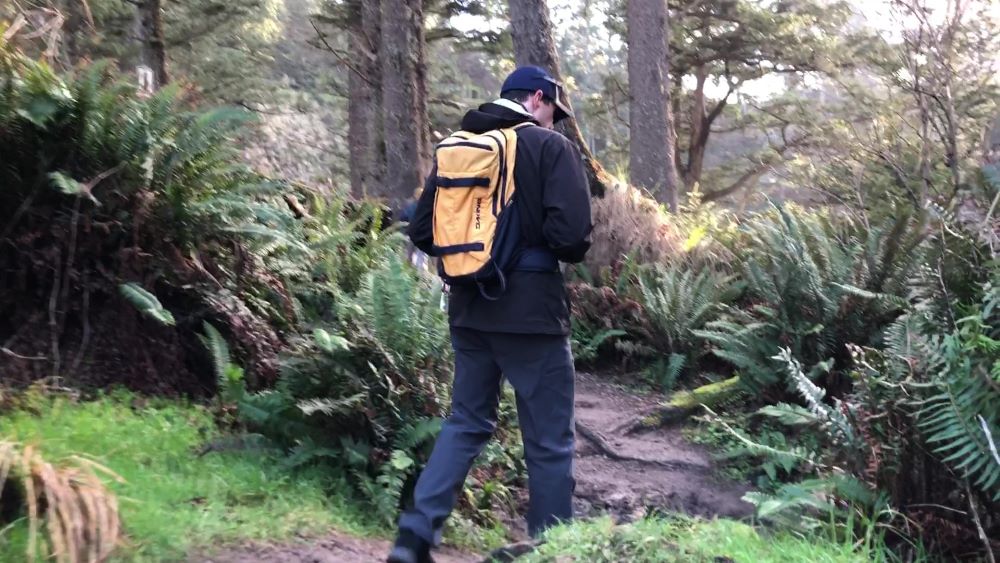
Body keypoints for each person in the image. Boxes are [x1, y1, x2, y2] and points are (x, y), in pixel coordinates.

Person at [388, 66, 592, 563]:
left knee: (466, 422)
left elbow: (420, 233)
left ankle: (414, 537)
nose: (554, 124)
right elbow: (573, 240)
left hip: (469, 309)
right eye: (552, 113)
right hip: (532, 316)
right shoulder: (549, 149)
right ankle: (549, 549)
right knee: (548, 440)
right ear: (538, 99)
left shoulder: (459, 148)